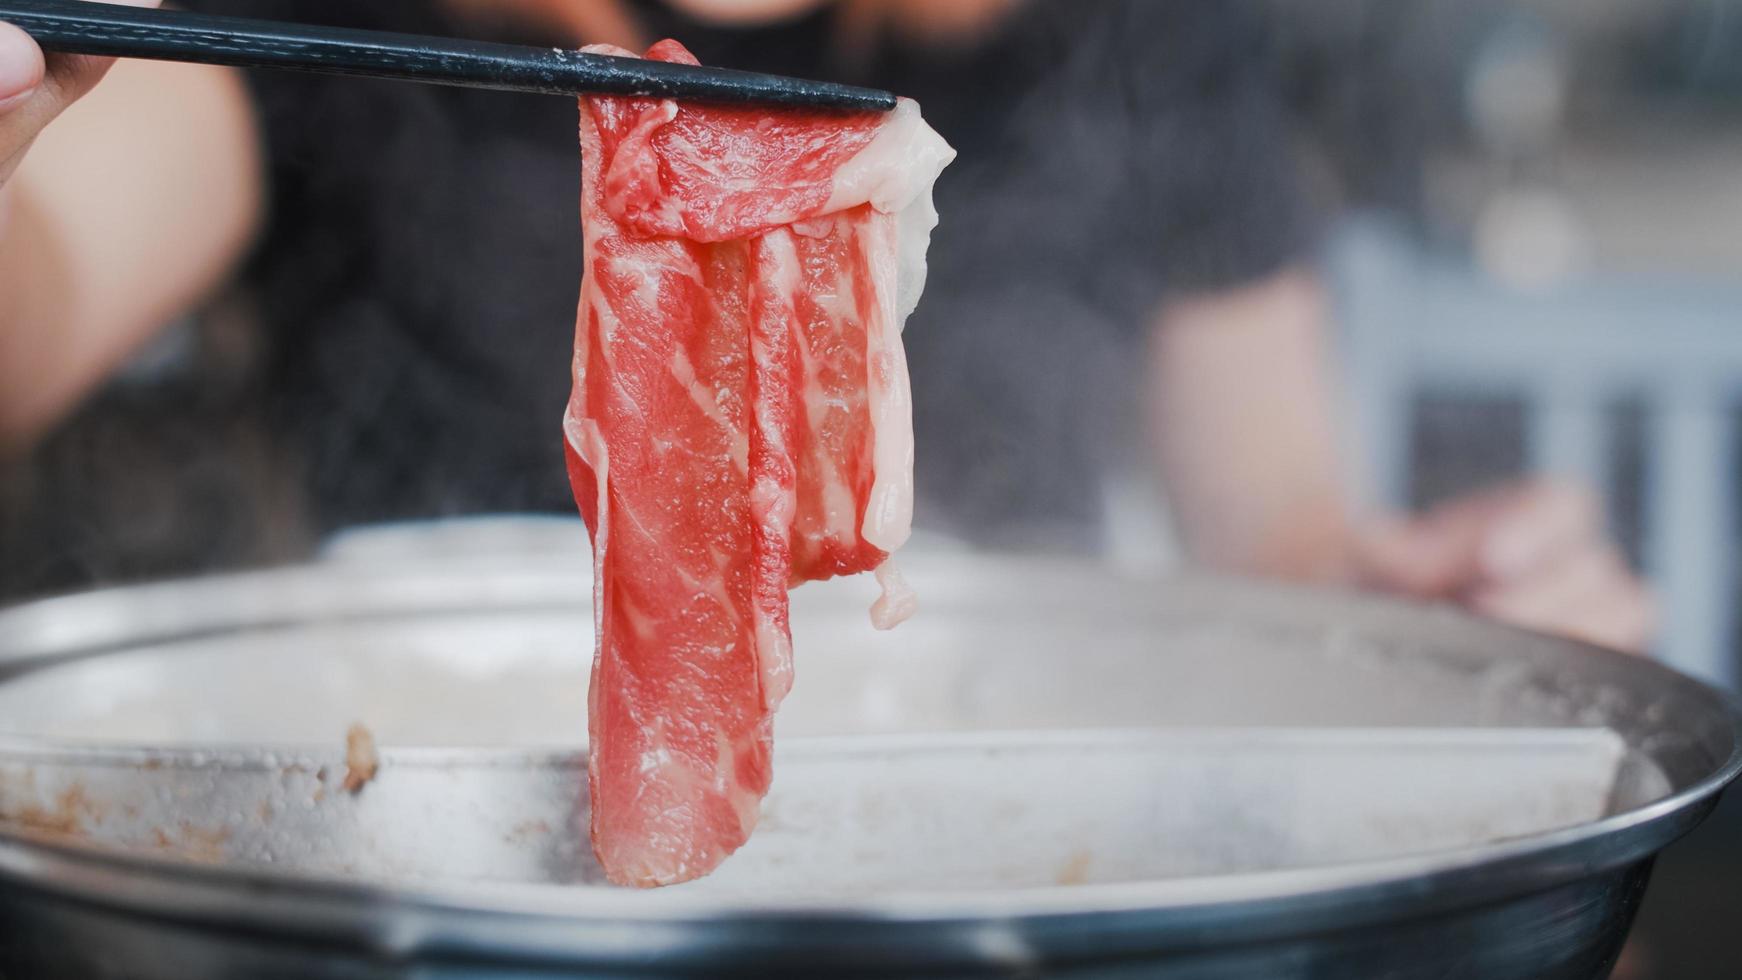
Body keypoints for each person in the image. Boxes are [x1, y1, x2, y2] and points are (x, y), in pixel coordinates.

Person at [0, 0, 1653, 652]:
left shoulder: (1132, 41)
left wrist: (1414, 604)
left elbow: (1274, 523)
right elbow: (38, 299)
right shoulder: (326, 25)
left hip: (995, 860)